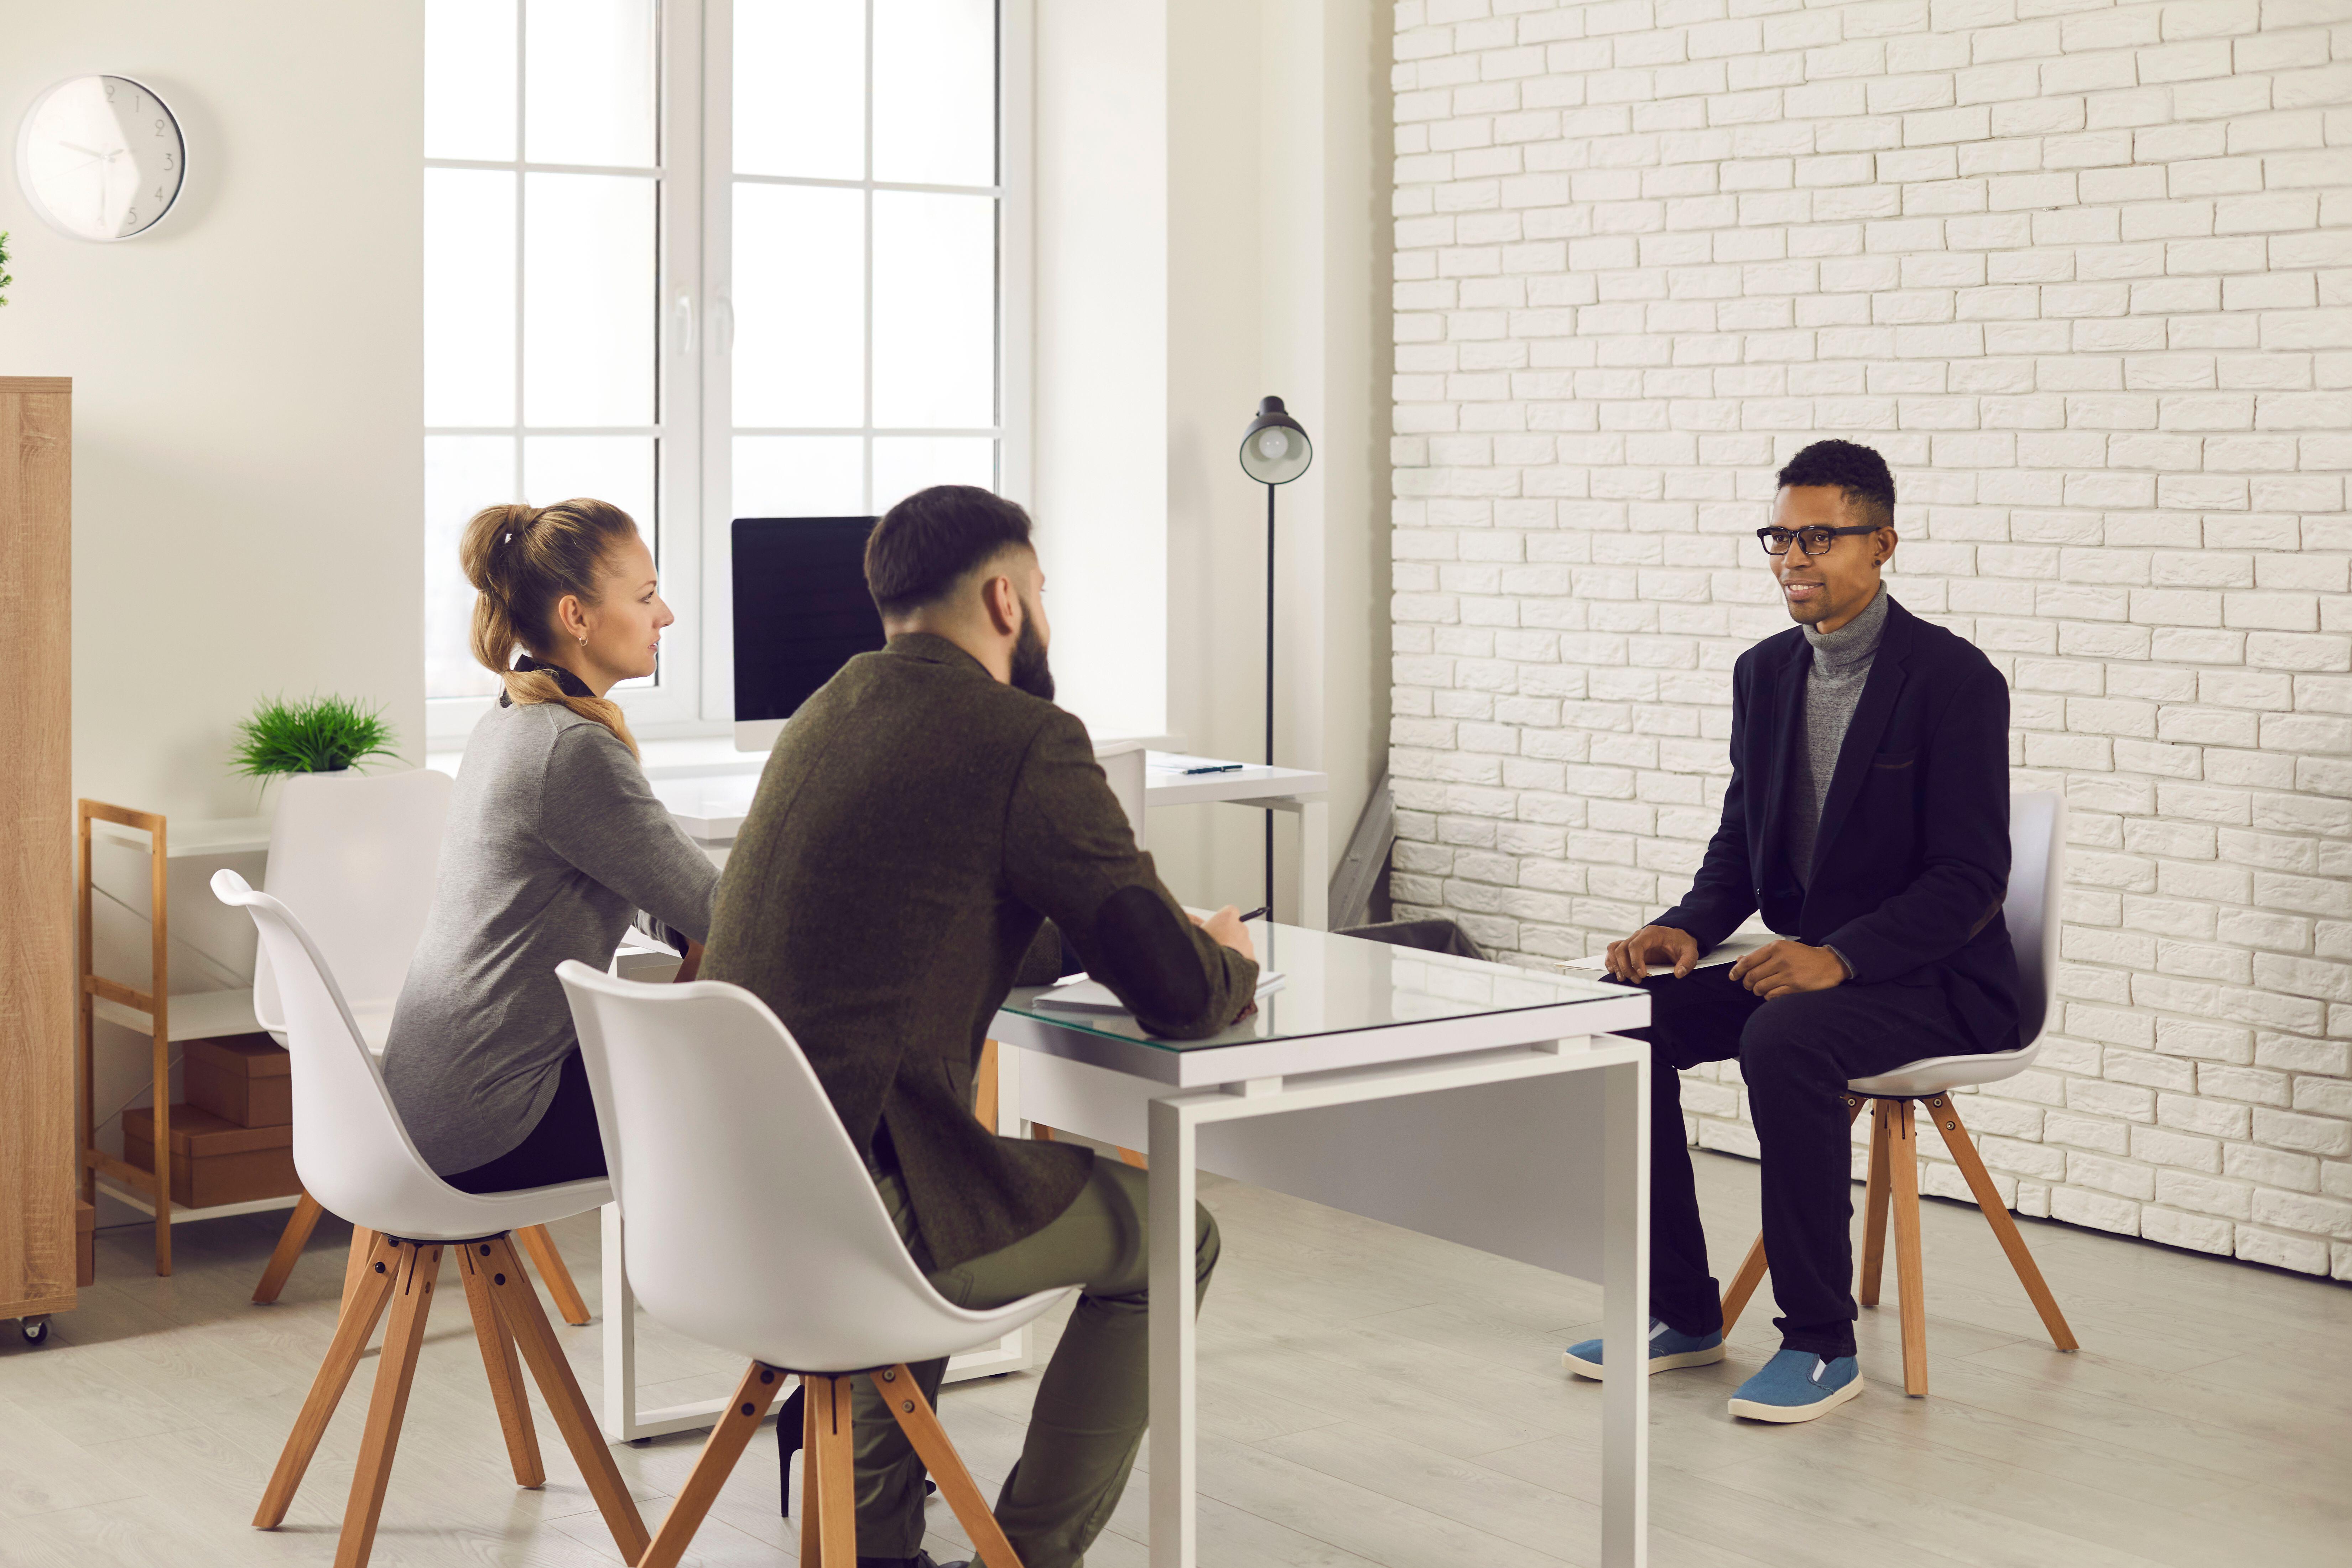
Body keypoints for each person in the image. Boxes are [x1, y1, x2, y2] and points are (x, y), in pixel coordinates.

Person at [701, 484, 1258, 1568]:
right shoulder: (1023, 735)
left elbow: (929, 921)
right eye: (1042, 592)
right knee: (1174, 1234)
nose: (1045, 614)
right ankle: (1035, 1555)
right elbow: (1181, 998)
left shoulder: (825, 711)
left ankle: (872, 1545)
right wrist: (1226, 957)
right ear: (1006, 598)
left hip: (732, 1206)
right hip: (865, 1215)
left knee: (918, 1188)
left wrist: (1093, 938)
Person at [1562, 440, 2018, 1424]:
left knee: (1787, 1038)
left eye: (1818, 536)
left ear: (1881, 544)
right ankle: (1680, 1312)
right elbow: (1741, 839)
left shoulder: (1953, 680)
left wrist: (1842, 955)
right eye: (1779, 535)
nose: (1791, 557)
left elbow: (1972, 879)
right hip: (1806, 962)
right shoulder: (1764, 672)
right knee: (1620, 1019)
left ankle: (1819, 1342)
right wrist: (1680, 927)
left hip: (1936, 978)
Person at [384, 499, 718, 1192]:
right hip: (492, 1121)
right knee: (776, 1106)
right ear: (577, 617)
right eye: (647, 596)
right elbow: (727, 911)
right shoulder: (570, 751)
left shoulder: (513, 721)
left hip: (431, 1104)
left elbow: (638, 888)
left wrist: (690, 925)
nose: (666, 616)